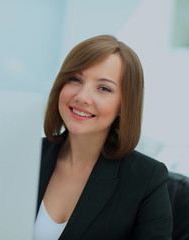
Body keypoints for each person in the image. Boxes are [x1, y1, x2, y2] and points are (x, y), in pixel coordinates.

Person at [33, 35, 172, 240]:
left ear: (123, 106)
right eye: (75, 79)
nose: (82, 96)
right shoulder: (25, 157)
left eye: (104, 88)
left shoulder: (147, 178)